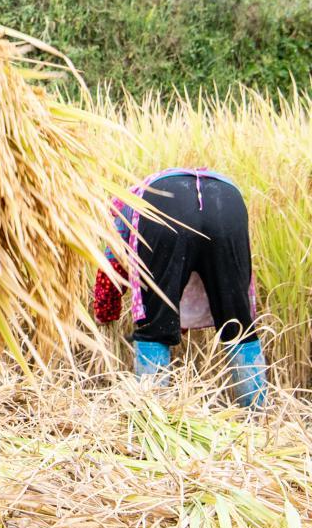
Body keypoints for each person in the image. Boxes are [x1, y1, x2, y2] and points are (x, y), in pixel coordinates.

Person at [92, 167, 268, 407]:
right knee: (239, 325)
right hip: (228, 202)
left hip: (162, 209)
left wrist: (105, 311)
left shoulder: (130, 204)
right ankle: (258, 417)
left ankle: (152, 416)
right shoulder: (225, 187)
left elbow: (110, 264)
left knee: (155, 326)